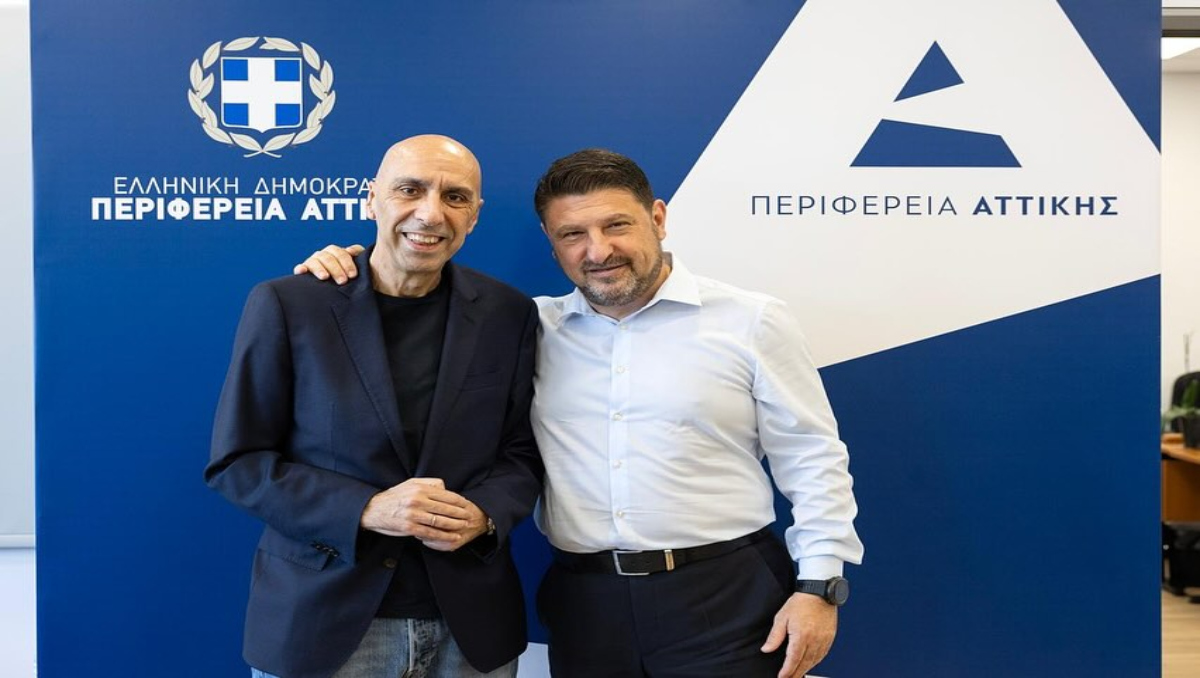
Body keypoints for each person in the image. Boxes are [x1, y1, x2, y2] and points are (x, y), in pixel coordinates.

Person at [298, 148, 864, 678]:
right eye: (573, 234)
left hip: (727, 596)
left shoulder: (751, 320)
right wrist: (354, 267)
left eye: (617, 225)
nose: (598, 251)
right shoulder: (527, 326)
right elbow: (413, 296)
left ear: (658, 219)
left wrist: (819, 587)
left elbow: (812, 457)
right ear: (552, 245)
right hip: (585, 604)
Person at [206, 135, 542, 678]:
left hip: (471, 630)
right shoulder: (291, 304)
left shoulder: (509, 313)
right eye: (409, 189)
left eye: (455, 197)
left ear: (475, 215)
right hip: (322, 623)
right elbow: (238, 462)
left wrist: (485, 514)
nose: (430, 213)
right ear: (370, 199)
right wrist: (365, 509)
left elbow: (522, 452)